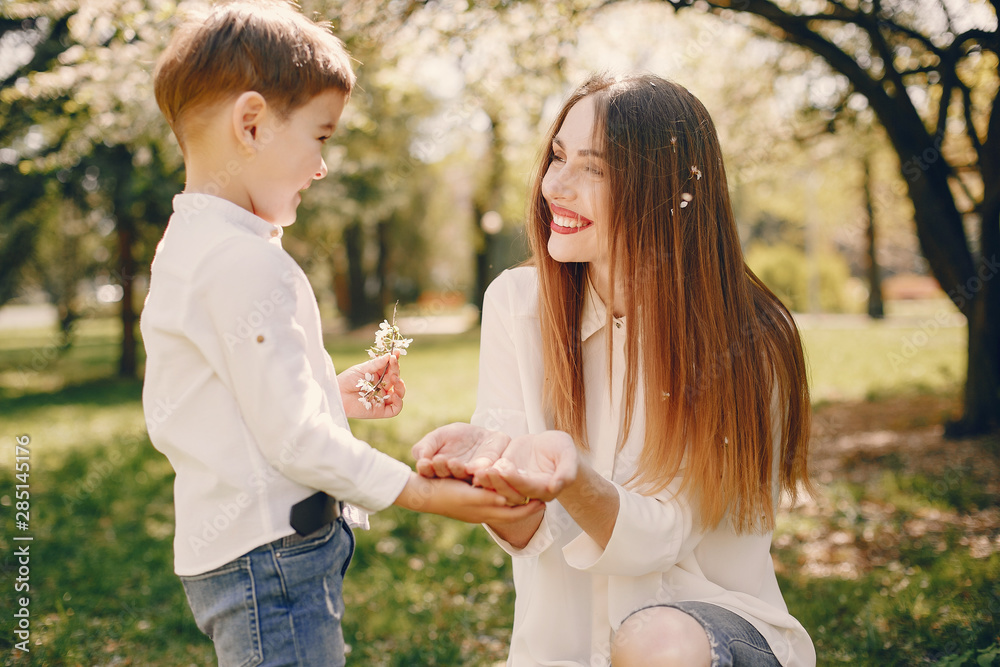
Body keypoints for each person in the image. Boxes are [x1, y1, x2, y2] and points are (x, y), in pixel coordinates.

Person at [141, 3, 540, 665]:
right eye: (321, 137)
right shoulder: (245, 261)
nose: (322, 166)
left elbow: (220, 398)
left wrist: (330, 390)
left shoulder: (190, 246)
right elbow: (294, 439)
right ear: (252, 124)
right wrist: (423, 492)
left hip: (242, 556)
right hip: (271, 565)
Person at [413, 72, 816, 667]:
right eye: (557, 158)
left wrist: (574, 478)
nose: (556, 185)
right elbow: (533, 535)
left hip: (707, 639)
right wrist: (497, 482)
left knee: (655, 645)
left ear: (672, 191)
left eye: (594, 169)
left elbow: (665, 536)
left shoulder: (748, 339)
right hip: (563, 653)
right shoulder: (516, 305)